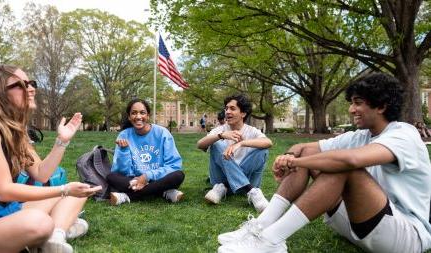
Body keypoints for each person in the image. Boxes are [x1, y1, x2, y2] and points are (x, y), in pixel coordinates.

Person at [217, 73, 431, 253]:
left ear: (382, 106)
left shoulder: (404, 134)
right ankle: (262, 226)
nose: (351, 109)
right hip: (361, 225)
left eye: (358, 103)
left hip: (405, 237)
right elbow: (306, 149)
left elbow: (350, 160)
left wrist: (296, 161)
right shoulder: (360, 136)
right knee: (317, 158)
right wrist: (290, 156)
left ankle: (270, 240)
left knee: (342, 166)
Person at [0, 65, 101, 253]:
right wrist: (63, 190)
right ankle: (51, 229)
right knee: (39, 222)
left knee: (77, 194)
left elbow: (41, 174)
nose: (31, 88)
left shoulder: (14, 130)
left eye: (31, 83)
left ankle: (55, 237)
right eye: (21, 84)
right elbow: (4, 191)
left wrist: (62, 141)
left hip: (7, 211)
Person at [197, 94, 273, 212]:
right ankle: (251, 191)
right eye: (226, 108)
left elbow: (268, 142)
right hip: (222, 177)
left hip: (243, 177)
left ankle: (224, 187)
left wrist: (241, 143)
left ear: (243, 113)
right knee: (216, 143)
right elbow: (200, 145)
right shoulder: (220, 129)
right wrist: (220, 136)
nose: (227, 112)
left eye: (232, 108)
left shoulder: (251, 131)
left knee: (262, 150)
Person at [107, 98, 185, 205]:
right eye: (134, 113)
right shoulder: (124, 135)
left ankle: (126, 196)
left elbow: (174, 166)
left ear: (148, 115)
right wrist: (124, 151)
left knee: (178, 175)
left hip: (158, 178)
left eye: (142, 113)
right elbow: (121, 171)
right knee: (111, 177)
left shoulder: (162, 133)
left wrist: (147, 176)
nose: (138, 116)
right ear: (129, 117)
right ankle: (163, 192)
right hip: (134, 178)